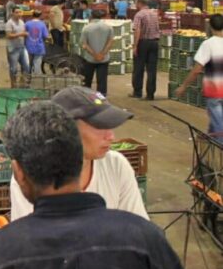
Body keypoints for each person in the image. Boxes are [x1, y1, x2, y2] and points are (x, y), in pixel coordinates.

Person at [0, 101, 195, 269]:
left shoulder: (3, 251)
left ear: (19, 173)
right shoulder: (146, 240)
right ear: (80, 160)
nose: (110, 135)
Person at [10, 86, 148, 220]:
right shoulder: (33, 174)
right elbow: (31, 233)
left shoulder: (117, 165)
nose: (110, 136)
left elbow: (138, 226)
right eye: (100, 126)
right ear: (65, 129)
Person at [176, 14, 223, 138]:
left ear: (210, 27)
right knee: (215, 125)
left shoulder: (208, 44)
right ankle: (209, 154)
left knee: (219, 130)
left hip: (215, 93)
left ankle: (218, 152)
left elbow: (196, 70)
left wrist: (183, 86)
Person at [131, 0, 160, 100]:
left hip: (143, 43)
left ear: (139, 3)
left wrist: (135, 46)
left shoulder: (139, 15)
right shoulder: (154, 13)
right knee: (152, 70)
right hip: (155, 42)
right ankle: (150, 94)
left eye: (136, 3)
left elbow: (137, 30)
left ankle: (137, 92)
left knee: (138, 68)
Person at [80, 10, 115, 95]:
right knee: (102, 81)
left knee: (87, 80)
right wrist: (102, 54)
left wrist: (95, 55)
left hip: (90, 59)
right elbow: (110, 42)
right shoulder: (108, 27)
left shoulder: (86, 28)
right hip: (104, 59)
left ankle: (87, 98)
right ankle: (101, 99)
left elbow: (85, 45)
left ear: (91, 17)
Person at [5, 9, 30, 88]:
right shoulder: (9, 23)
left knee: (26, 67)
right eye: (17, 12)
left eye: (20, 12)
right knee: (14, 69)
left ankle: (22, 83)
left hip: (21, 47)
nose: (19, 14)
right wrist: (21, 34)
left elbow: (24, 33)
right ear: (12, 13)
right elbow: (8, 35)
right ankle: (13, 85)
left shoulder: (22, 22)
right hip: (13, 49)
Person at [24, 10, 49, 74]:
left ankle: (28, 77)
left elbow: (24, 34)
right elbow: (45, 35)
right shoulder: (42, 24)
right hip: (39, 47)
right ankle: (36, 79)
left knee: (28, 63)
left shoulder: (27, 23)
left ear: (32, 15)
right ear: (40, 16)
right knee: (37, 64)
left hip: (29, 47)